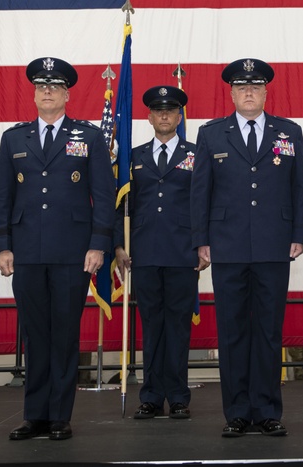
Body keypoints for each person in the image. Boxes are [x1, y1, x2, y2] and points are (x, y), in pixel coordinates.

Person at [0, 57, 116, 441]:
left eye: (55, 87)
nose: (47, 92)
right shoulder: (14, 138)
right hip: (26, 250)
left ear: (66, 94)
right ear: (33, 94)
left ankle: (60, 415)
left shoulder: (89, 136)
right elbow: (2, 196)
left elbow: (103, 194)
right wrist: (3, 246)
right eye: (41, 86)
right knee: (33, 334)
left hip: (72, 252)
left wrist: (98, 245)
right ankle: (35, 416)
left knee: (63, 334)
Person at [191, 58, 303, 438]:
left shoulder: (288, 131)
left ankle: (268, 409)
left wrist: (300, 233)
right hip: (226, 246)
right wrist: (201, 240)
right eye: (242, 87)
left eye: (255, 87)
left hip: (275, 244)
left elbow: (300, 187)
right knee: (232, 331)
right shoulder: (212, 134)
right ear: (231, 93)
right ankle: (238, 412)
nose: (248, 92)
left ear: (265, 92)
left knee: (268, 332)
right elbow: (200, 193)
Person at [111, 86, 206, 421]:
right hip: (145, 255)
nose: (164, 116)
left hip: (183, 255)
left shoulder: (198, 154)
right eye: (158, 111)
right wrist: (118, 246)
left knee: (178, 329)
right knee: (151, 328)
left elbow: (205, 203)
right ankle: (151, 396)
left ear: (179, 117)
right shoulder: (133, 157)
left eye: (170, 111)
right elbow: (120, 205)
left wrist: (204, 245)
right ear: (149, 117)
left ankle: (178, 397)